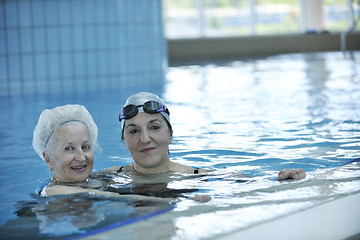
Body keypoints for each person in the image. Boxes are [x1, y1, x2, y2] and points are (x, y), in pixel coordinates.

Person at [107, 92, 305, 181]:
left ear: (171, 135)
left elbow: (257, 185)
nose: (144, 138)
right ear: (124, 142)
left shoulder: (200, 177)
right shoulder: (109, 177)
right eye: (133, 131)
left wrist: (284, 180)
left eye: (154, 127)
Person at [32, 104, 172, 202]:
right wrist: (179, 200)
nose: (81, 157)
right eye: (69, 149)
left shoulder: (96, 180)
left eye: (85, 147)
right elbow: (117, 198)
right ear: (48, 158)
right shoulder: (54, 191)